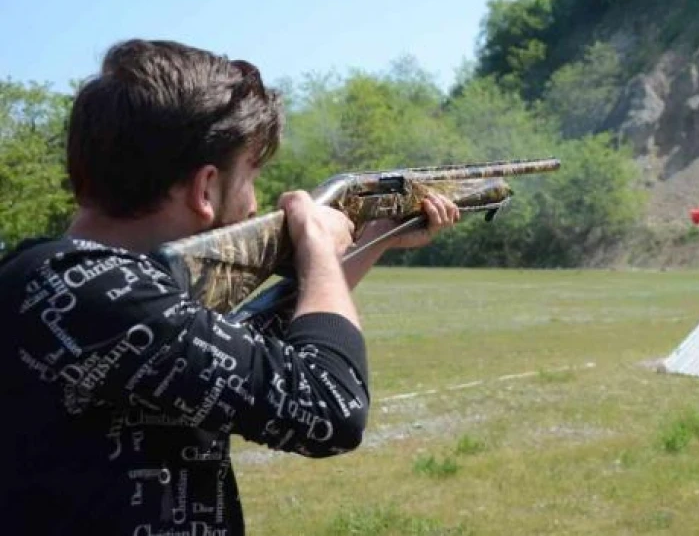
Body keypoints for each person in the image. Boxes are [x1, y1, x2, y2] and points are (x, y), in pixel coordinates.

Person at [0, 39, 460, 535]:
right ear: (204, 189)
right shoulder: (98, 294)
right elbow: (330, 407)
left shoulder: (67, 281)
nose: (254, 201)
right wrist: (316, 247)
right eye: (251, 175)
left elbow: (243, 350)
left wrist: (370, 242)